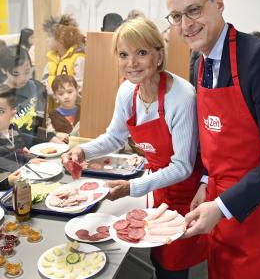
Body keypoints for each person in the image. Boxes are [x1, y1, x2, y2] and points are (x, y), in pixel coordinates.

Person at [62, 16, 206, 279]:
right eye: (123, 54)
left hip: (187, 192)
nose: (132, 63)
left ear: (158, 56)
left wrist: (132, 188)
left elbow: (183, 166)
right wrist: (84, 151)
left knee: (173, 265)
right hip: (159, 188)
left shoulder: (181, 96)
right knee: (157, 256)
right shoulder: (128, 91)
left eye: (141, 53)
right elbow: (115, 137)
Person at [166, 0, 260, 279]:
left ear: (218, 3)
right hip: (218, 216)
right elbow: (215, 137)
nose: (186, 24)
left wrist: (222, 206)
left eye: (194, 10)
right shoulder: (199, 61)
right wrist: (206, 182)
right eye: (177, 16)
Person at [0, 45, 60, 146]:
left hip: (41, 148)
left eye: (27, 71)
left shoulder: (37, 87)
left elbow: (43, 121)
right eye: (16, 74)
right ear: (3, 70)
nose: (23, 78)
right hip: (14, 153)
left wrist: (51, 136)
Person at [41, 14, 85, 113]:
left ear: (60, 39)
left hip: (73, 112)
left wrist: (58, 93)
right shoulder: (52, 59)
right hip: (53, 111)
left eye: (49, 36)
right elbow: (44, 82)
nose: (47, 40)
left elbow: (80, 88)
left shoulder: (78, 59)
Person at [47, 74, 80, 142]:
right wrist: (56, 134)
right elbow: (48, 133)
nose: (66, 96)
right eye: (61, 94)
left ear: (77, 90)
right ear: (55, 96)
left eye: (70, 92)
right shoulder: (52, 116)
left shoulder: (84, 112)